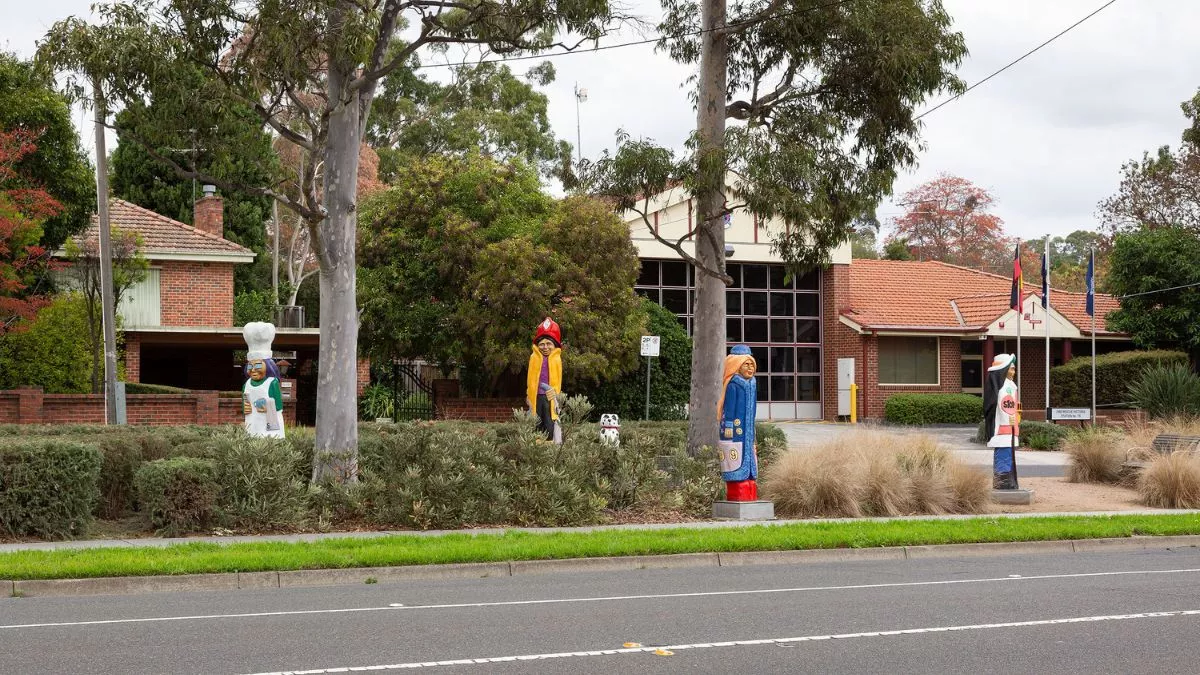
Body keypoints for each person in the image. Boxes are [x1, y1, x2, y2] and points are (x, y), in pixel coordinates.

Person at [718, 344, 759, 501]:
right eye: (746, 365)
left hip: (747, 429)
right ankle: (738, 485)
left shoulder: (752, 384)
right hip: (734, 429)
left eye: (751, 365)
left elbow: (753, 408)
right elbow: (729, 409)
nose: (750, 368)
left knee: (748, 454)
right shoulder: (733, 384)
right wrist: (728, 426)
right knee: (736, 456)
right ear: (736, 365)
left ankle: (749, 481)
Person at [242, 321, 285, 438]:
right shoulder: (247, 384)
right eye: (250, 366)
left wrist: (268, 407)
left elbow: (279, 405)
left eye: (258, 366)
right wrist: (245, 406)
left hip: (269, 421)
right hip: (252, 420)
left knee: (268, 441)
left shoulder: (272, 383)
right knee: (252, 438)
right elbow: (245, 400)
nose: (253, 370)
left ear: (268, 366)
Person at [983, 353, 1020, 489]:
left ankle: (1009, 481)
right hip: (1002, 428)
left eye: (1014, 369)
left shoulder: (1010, 385)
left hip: (1010, 427)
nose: (1013, 372)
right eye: (1011, 369)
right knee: (1004, 455)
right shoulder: (1000, 386)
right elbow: (1001, 406)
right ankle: (1003, 482)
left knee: (1009, 455)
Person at [526, 317, 563, 443]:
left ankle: (549, 442)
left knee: (549, 420)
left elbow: (558, 380)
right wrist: (529, 393)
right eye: (542, 344)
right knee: (536, 420)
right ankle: (536, 442)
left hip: (549, 397)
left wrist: (556, 392)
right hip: (536, 396)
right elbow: (530, 378)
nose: (545, 347)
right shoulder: (533, 358)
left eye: (549, 344)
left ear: (555, 345)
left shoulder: (557, 359)